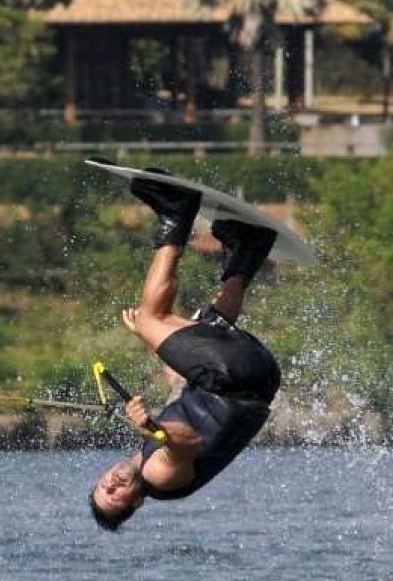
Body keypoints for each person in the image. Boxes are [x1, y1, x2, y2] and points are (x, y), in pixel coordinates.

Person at [88, 175, 282, 530]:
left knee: (204, 323)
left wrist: (162, 348)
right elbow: (187, 444)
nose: (111, 484)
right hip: (234, 381)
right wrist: (151, 426)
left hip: (251, 378)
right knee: (150, 317)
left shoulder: (148, 460)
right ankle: (177, 213)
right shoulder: (159, 478)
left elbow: (188, 400)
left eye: (103, 487)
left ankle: (249, 249)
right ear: (137, 503)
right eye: (115, 496)